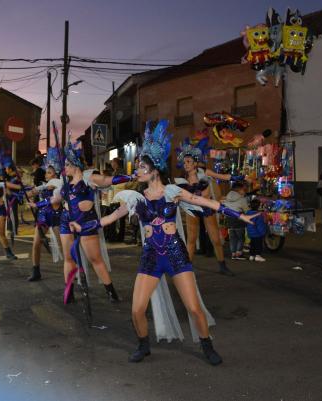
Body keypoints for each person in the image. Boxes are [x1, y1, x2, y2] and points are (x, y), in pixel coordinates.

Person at [78, 120, 256, 365]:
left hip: (175, 255)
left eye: (142, 166)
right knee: (136, 310)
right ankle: (144, 345)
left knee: (194, 309)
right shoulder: (136, 198)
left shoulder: (173, 192)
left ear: (154, 170)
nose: (137, 170)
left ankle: (207, 345)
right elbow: (108, 218)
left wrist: (240, 215)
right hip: (151, 257)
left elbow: (206, 203)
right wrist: (84, 226)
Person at [57, 137, 130, 304]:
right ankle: (69, 292)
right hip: (66, 220)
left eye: (67, 165)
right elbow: (56, 199)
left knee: (95, 259)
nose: (64, 168)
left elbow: (108, 181)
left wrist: (130, 177)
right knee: (68, 258)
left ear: (75, 164)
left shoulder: (89, 177)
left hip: (86, 221)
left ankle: (111, 291)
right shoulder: (65, 183)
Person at [175, 137, 244, 275]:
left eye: (188, 162)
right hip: (192, 210)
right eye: (184, 162)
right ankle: (187, 269)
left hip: (207, 209)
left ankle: (222, 266)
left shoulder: (204, 172)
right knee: (191, 240)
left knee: (215, 239)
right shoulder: (183, 179)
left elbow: (223, 177)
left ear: (195, 163)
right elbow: (178, 196)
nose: (186, 164)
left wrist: (237, 177)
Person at [26, 146, 63, 281]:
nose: (46, 175)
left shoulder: (57, 183)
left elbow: (44, 191)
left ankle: (74, 268)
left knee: (63, 245)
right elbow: (34, 191)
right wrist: (24, 193)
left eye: (49, 172)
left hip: (56, 215)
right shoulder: (48, 183)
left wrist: (35, 198)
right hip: (43, 216)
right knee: (36, 243)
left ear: (55, 173)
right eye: (46, 172)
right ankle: (36, 270)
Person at [224, 182, 249, 260]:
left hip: (229, 219)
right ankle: (239, 254)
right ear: (238, 189)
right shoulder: (242, 199)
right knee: (240, 238)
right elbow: (246, 210)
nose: (244, 191)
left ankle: (233, 254)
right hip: (238, 220)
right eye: (243, 189)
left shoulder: (227, 197)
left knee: (232, 238)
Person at [246, 198, 267, 262]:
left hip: (251, 232)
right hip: (257, 233)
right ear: (258, 206)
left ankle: (251, 256)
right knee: (258, 245)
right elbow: (260, 225)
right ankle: (258, 256)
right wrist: (263, 233)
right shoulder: (258, 215)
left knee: (252, 244)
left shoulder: (248, 213)